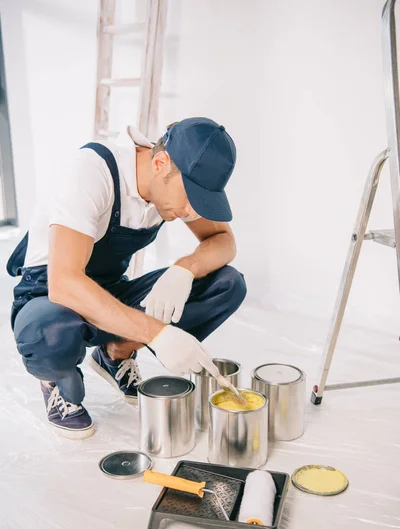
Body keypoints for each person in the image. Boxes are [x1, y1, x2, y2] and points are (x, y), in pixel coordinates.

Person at [7, 117, 247, 440]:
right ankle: (57, 380)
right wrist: (157, 333)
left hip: (109, 292)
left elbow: (224, 242)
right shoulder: (93, 172)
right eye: (191, 196)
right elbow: (64, 282)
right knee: (51, 334)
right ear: (161, 163)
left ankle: (115, 353)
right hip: (49, 296)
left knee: (227, 284)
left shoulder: (170, 181)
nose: (192, 212)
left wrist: (184, 269)